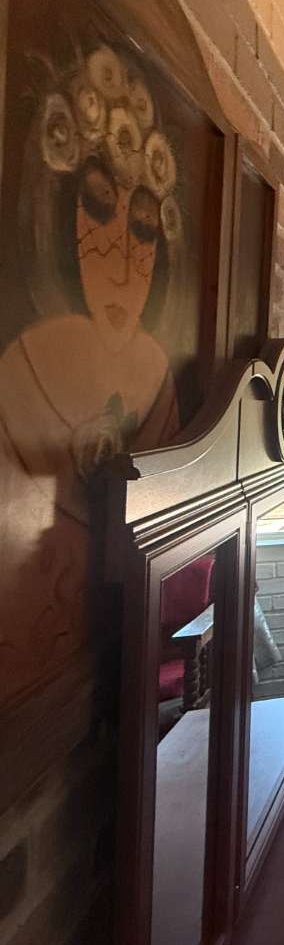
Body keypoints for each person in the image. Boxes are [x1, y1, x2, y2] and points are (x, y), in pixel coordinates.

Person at [0, 44, 183, 707]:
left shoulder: (158, 374)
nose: (122, 262)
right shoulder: (21, 372)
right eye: (99, 210)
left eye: (144, 229)